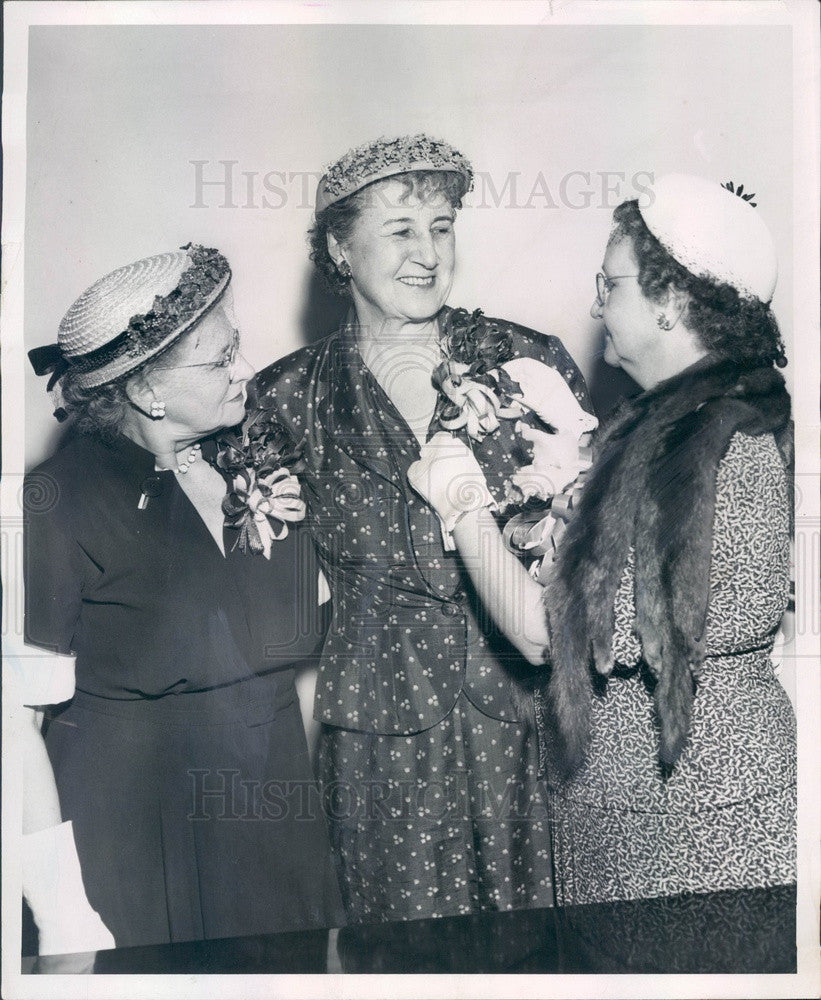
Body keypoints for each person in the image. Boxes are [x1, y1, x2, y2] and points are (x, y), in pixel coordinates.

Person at [409, 174, 796, 906]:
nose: (596, 305)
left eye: (610, 284)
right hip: (642, 818)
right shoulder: (711, 418)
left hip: (687, 842)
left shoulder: (700, 453)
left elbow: (541, 637)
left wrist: (460, 501)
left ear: (671, 304)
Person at [251, 134, 593, 923]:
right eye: (401, 229)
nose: (427, 252)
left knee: (549, 953)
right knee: (401, 959)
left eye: (441, 227)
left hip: (528, 717)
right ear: (340, 247)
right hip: (379, 736)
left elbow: (589, 547)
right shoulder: (285, 398)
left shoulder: (525, 363)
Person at [19, 244, 344, 954]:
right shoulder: (59, 500)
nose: (246, 372)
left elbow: (299, 631)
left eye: (237, 348)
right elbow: (17, 723)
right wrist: (59, 906)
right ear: (147, 392)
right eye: (219, 359)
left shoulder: (250, 452)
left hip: (270, 805)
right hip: (139, 827)